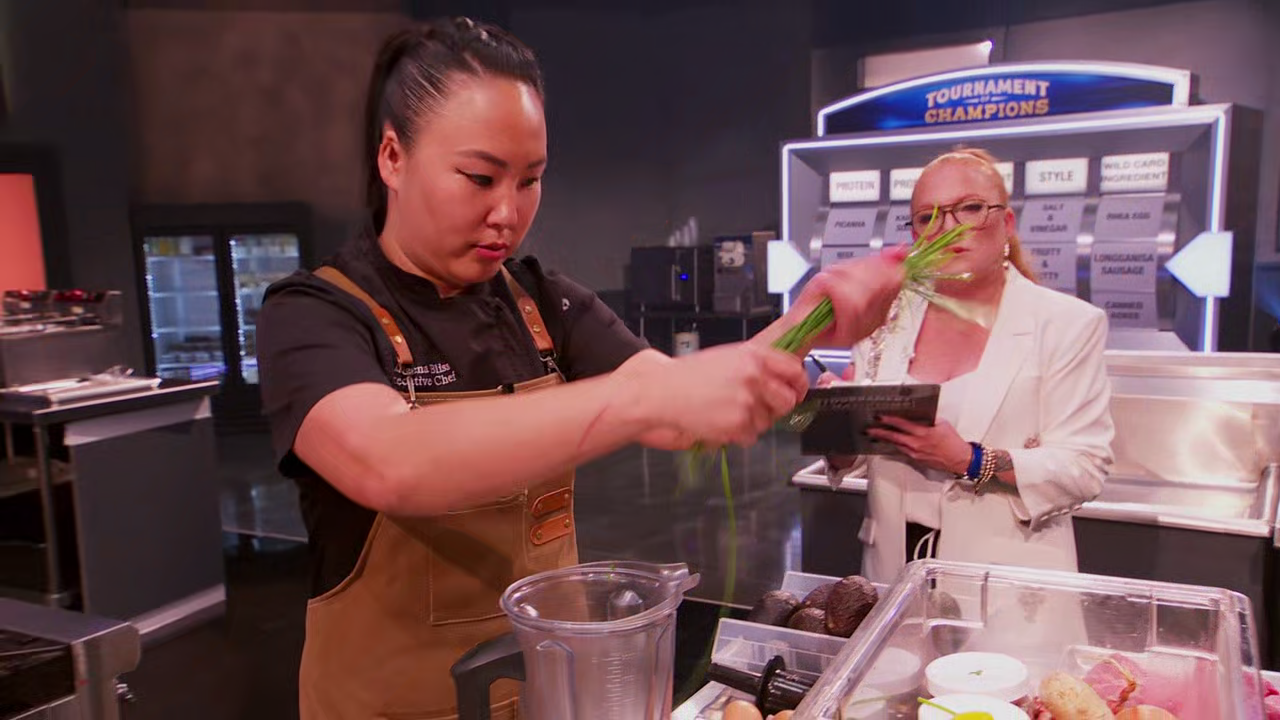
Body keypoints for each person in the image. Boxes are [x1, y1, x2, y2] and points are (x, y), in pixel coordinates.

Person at [256, 17, 904, 720]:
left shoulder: (542, 303)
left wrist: (809, 321)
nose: (507, 213)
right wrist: (638, 400)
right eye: (480, 178)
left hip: (545, 695)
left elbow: (685, 407)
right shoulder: (316, 314)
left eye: (530, 180)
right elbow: (391, 460)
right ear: (392, 156)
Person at [823, 147, 1115, 585]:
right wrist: (837, 427)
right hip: (892, 577)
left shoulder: (1066, 324)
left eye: (970, 209)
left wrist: (968, 459)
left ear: (1006, 223)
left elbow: (1084, 469)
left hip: (1008, 587)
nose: (948, 228)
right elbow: (856, 461)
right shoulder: (884, 319)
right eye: (928, 217)